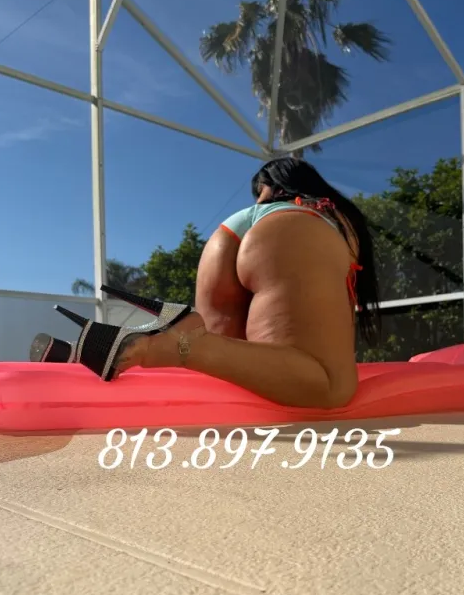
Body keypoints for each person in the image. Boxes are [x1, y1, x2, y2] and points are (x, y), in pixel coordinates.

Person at [32, 158, 381, 409]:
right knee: (327, 384)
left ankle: (81, 354)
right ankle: (181, 344)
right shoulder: (332, 211)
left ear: (266, 190)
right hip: (291, 229)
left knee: (225, 377)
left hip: (226, 235)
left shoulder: (254, 212)